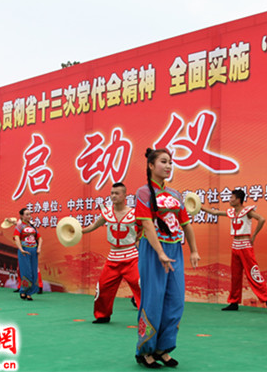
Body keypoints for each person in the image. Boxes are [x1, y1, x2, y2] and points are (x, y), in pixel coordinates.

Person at [134, 148, 200, 368]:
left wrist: (193, 250)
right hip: (153, 251)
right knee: (153, 300)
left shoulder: (175, 195)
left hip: (174, 250)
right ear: (151, 165)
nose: (169, 166)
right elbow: (146, 225)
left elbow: (186, 224)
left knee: (175, 300)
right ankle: (145, 350)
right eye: (164, 161)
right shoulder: (143, 193)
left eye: (170, 162)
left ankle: (163, 348)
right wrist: (160, 253)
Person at [202, 189, 267, 314]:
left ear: (238, 199)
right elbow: (215, 212)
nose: (230, 200)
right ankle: (234, 302)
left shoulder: (247, 211)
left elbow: (262, 219)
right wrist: (200, 207)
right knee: (235, 275)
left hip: (245, 245)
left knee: (253, 273)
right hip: (235, 245)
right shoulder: (231, 212)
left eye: (232, 197)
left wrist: (254, 235)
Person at [82, 182, 141, 323]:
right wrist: (79, 231)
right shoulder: (107, 212)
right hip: (113, 257)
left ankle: (148, 316)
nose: (114, 196)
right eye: (112, 193)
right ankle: (102, 315)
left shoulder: (134, 213)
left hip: (131, 257)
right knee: (103, 287)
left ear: (125, 195)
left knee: (141, 286)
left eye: (117, 193)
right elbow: (94, 225)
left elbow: (145, 229)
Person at [13, 208, 42, 301]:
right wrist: (21, 249)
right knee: (26, 272)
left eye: (30, 214)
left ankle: (30, 293)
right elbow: (16, 238)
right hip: (24, 251)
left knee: (33, 272)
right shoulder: (19, 227)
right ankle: (23, 291)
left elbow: (40, 238)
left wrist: (39, 248)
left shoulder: (32, 227)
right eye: (27, 214)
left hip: (33, 251)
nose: (29, 216)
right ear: (21, 216)